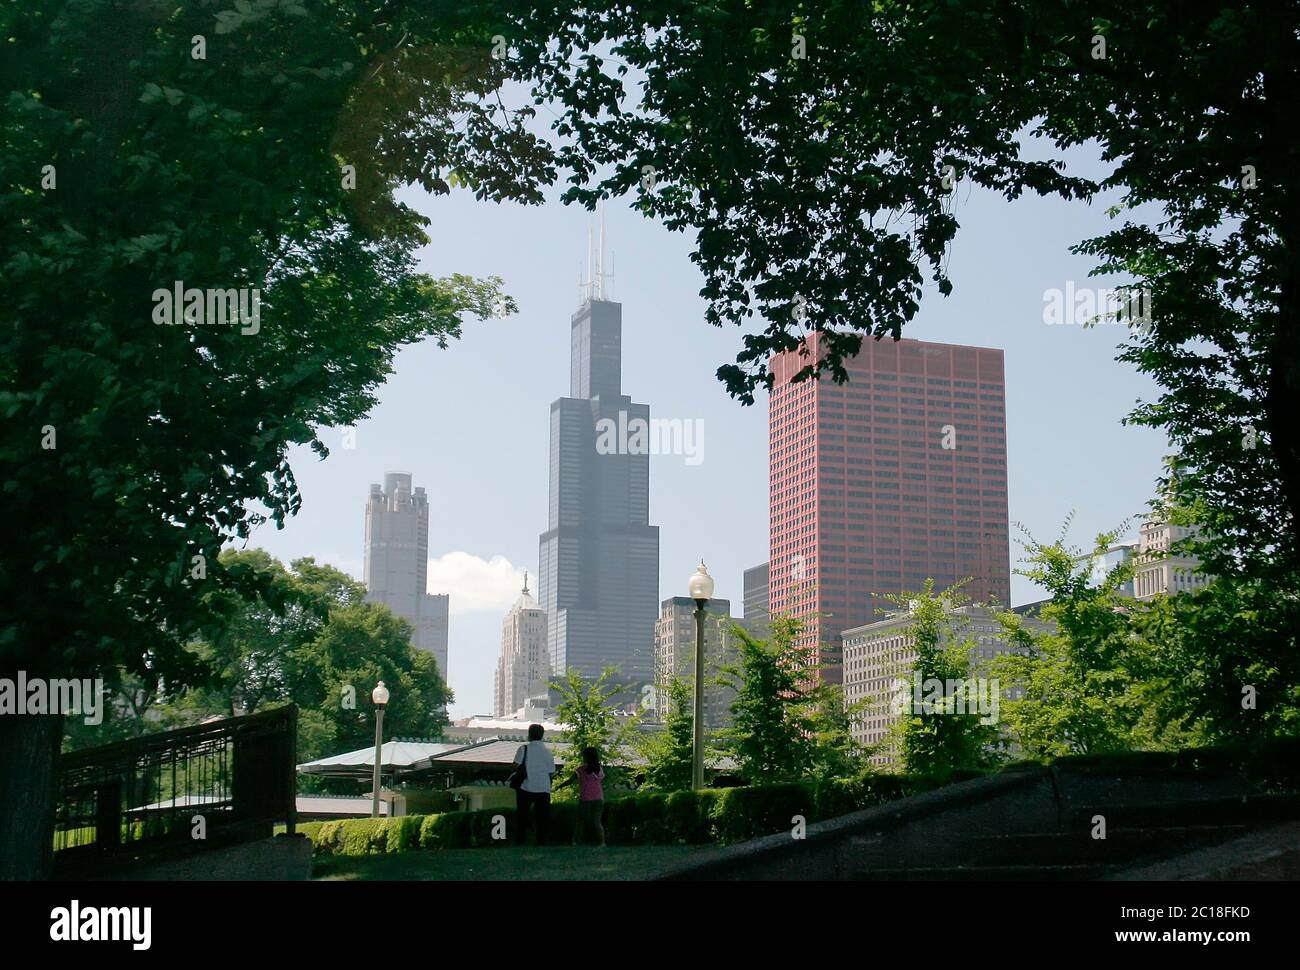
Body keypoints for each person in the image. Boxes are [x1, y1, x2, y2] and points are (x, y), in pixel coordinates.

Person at [512, 723, 555, 846]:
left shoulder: (524, 749)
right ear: (542, 735)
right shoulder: (548, 752)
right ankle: (541, 842)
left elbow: (515, 765)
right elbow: (551, 771)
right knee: (542, 818)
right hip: (544, 788)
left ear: (529, 734)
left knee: (522, 816)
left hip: (526, 786)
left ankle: (520, 841)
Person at [575, 746, 606, 846]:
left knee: (581, 821)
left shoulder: (580, 769)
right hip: (598, 798)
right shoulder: (599, 769)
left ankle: (577, 842)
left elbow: (572, 779)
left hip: (585, 798)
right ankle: (602, 842)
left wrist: (560, 786)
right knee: (597, 822)